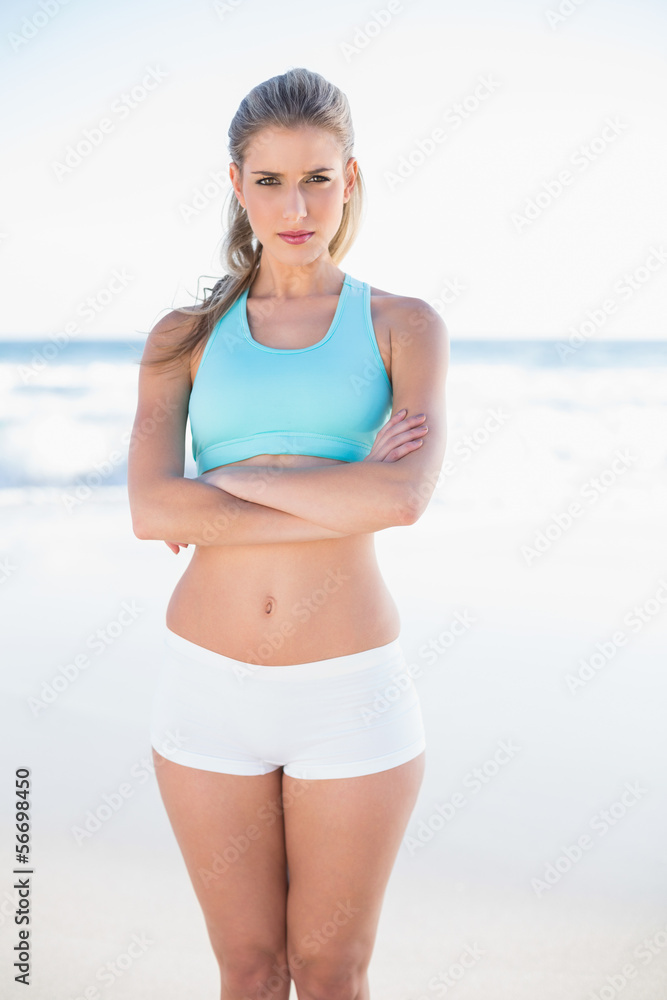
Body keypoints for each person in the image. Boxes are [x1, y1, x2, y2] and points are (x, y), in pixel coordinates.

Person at [128, 66, 449, 1000]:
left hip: (350, 693)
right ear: (237, 186)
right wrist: (334, 483)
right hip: (205, 687)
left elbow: (401, 500)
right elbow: (153, 510)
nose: (295, 204)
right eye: (269, 180)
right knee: (249, 973)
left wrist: (234, 476)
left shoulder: (403, 326)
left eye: (316, 177)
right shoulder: (182, 336)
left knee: (331, 972)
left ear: (350, 178)